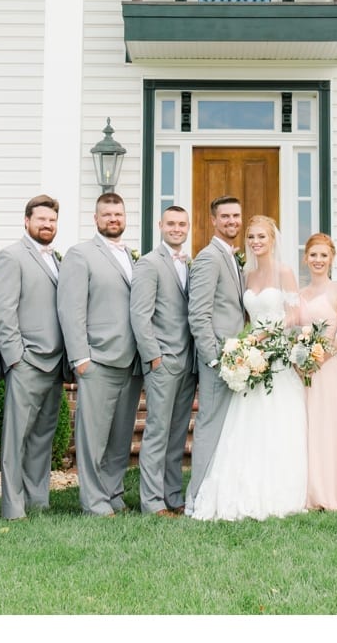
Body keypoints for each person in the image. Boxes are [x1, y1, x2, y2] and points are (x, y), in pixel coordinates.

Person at [188, 214, 307, 521]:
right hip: (250, 356)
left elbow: (295, 316)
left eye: (261, 237)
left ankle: (277, 488)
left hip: (275, 357)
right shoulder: (246, 274)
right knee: (244, 424)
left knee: (274, 422)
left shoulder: (285, 272)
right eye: (251, 237)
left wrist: (265, 334)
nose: (255, 242)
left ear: (272, 240)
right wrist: (244, 344)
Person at [57, 192, 143, 516]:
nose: (113, 219)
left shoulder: (133, 258)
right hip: (98, 359)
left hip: (131, 360)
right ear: (96, 219)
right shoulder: (80, 255)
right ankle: (93, 501)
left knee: (121, 435)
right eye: (107, 214)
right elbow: (70, 308)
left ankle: (113, 493)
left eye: (118, 214)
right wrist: (80, 356)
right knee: (93, 437)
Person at [0, 194, 70, 520]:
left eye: (51, 220)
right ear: (27, 222)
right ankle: (13, 507)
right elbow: (3, 310)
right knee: (16, 437)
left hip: (54, 361)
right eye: (41, 220)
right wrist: (15, 357)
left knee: (42, 436)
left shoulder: (58, 260)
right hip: (26, 361)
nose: (47, 225)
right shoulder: (12, 256)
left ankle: (38, 500)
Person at [129, 205, 197, 516]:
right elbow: (140, 315)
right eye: (171, 223)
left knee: (177, 434)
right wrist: (153, 356)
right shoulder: (148, 263)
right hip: (162, 362)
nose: (176, 228)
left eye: (182, 224)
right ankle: (152, 502)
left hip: (187, 364)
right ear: (160, 225)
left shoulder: (189, 264)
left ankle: (173, 497)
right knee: (157, 432)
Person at [185, 194, 247, 508]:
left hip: (237, 360)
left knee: (228, 429)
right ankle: (197, 497)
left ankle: (220, 493)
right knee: (209, 426)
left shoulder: (232, 257)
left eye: (236, 216)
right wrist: (213, 357)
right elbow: (199, 314)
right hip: (217, 361)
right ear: (213, 220)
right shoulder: (209, 257)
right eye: (225, 217)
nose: (232, 221)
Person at [296, 232, 337, 512]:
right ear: (305, 258)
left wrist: (326, 353)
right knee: (306, 427)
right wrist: (300, 357)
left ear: (331, 259)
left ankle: (332, 490)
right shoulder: (299, 294)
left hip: (328, 368)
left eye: (323, 255)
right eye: (313, 255)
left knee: (328, 426)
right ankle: (308, 490)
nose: (318, 260)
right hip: (303, 371)